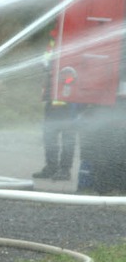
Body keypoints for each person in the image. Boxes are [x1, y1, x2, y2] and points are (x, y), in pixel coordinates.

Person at [32, 28, 78, 181]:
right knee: (49, 134)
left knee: (68, 136)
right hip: (52, 98)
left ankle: (65, 170)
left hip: (69, 100)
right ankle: (51, 166)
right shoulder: (54, 36)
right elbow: (46, 60)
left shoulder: (73, 35)